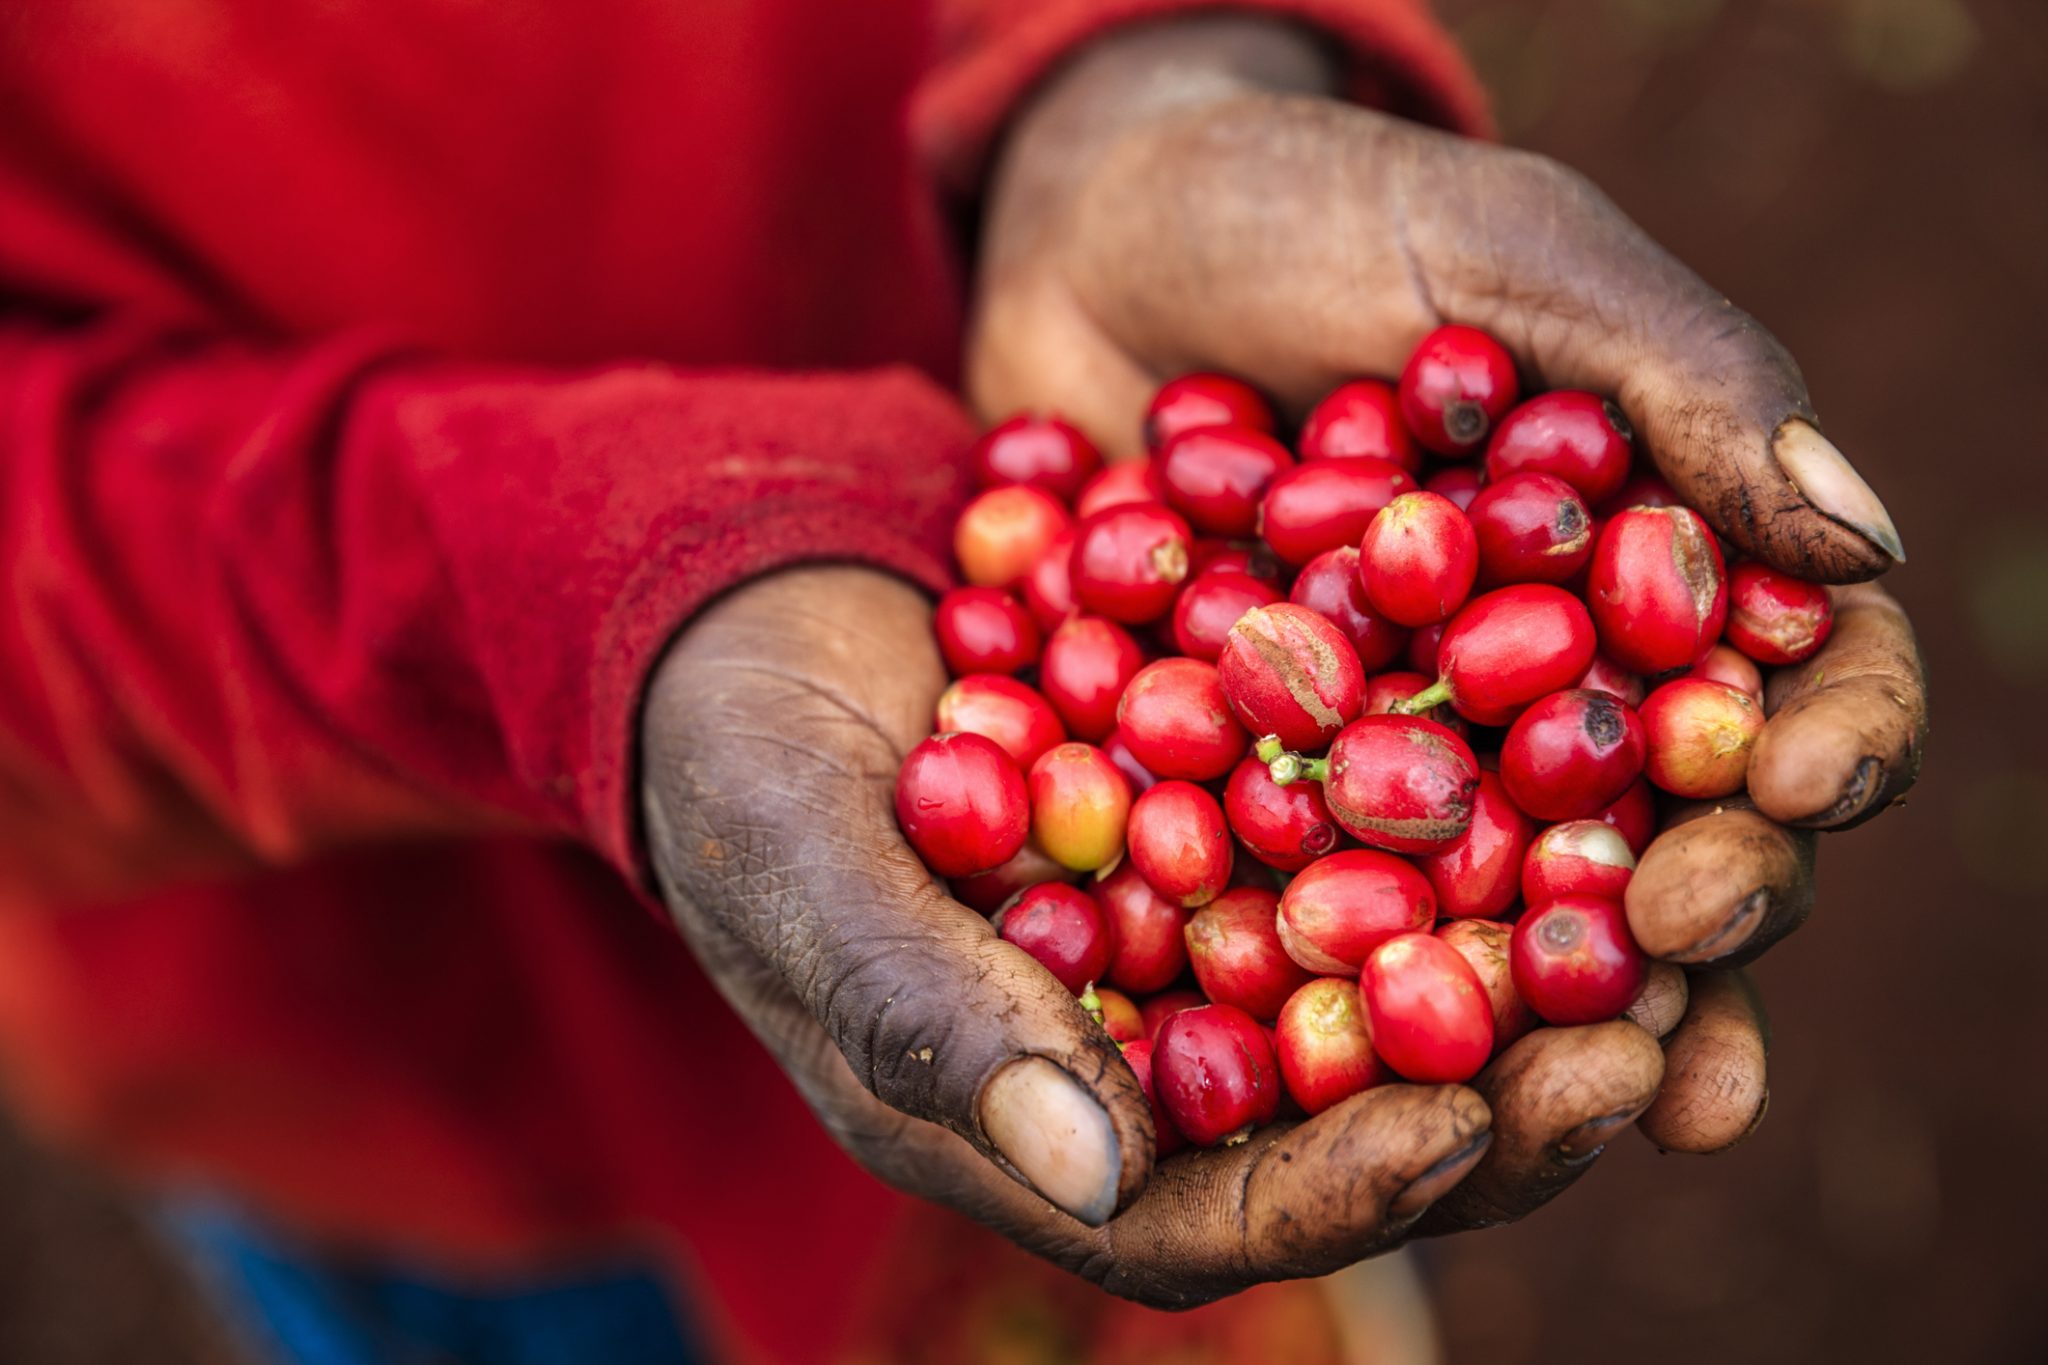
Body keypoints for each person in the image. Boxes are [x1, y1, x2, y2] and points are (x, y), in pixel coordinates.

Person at [0, 2, 1927, 1361]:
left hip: (971, 460)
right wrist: (559, 596)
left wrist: (1155, 65)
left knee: (1165, 1199)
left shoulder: (1211, 705)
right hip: (403, 1057)